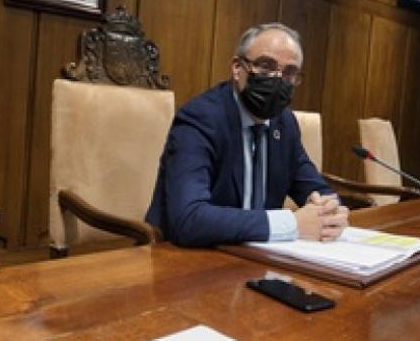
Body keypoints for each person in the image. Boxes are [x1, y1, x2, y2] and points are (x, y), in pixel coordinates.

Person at [145, 23, 349, 247]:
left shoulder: (285, 123)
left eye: (289, 72)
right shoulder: (201, 118)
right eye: (265, 66)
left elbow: (314, 188)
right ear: (237, 68)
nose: (277, 79)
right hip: (186, 259)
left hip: (258, 258)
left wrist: (330, 210)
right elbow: (189, 219)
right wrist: (291, 224)